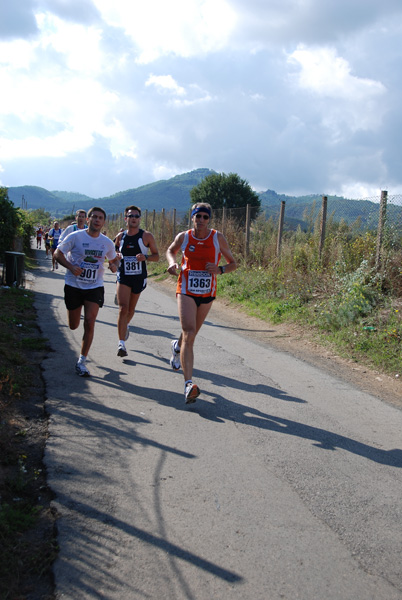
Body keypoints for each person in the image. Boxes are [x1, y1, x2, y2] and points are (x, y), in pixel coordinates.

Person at [166, 202, 237, 403]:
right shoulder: (184, 236)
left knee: (192, 332)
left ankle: (176, 346)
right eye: (198, 216)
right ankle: (188, 384)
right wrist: (172, 263)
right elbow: (171, 250)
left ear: (209, 220)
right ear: (192, 218)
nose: (201, 220)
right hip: (186, 288)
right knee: (189, 332)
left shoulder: (217, 238)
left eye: (205, 217)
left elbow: (233, 264)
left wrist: (220, 269)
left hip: (207, 291)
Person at [54, 207, 119, 377]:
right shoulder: (75, 237)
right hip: (73, 285)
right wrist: (70, 266)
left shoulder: (107, 243)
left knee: (90, 322)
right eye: (94, 217)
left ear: (104, 222)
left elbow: (114, 261)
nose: (97, 220)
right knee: (74, 325)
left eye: (100, 218)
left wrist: (114, 266)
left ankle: (81, 361)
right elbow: (57, 253)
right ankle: (76, 316)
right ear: (88, 219)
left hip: (94, 287)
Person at [114, 205, 159, 357]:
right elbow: (113, 251)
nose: (133, 218)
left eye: (136, 216)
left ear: (140, 219)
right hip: (124, 275)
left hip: (139, 277)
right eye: (130, 215)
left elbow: (157, 256)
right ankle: (121, 344)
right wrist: (117, 257)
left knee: (131, 310)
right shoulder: (120, 236)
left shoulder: (146, 236)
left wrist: (145, 257)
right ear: (125, 218)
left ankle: (125, 325)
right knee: (123, 308)